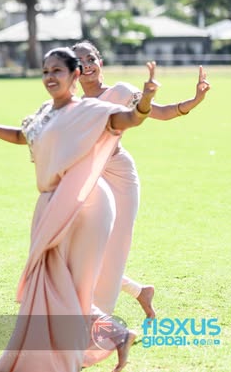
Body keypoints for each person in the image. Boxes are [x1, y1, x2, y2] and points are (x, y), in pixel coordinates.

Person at [0, 48, 159, 372]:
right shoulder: (44, 112)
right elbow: (22, 137)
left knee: (53, 280)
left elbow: (130, 118)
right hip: (52, 201)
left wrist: (145, 100)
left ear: (75, 75)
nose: (50, 77)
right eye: (45, 71)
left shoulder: (90, 110)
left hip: (82, 202)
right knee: (55, 284)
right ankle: (116, 335)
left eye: (58, 71)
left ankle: (74, 350)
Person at [71, 41, 211, 324]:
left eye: (90, 58)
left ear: (100, 62)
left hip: (119, 178)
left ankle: (98, 330)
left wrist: (193, 101)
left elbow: (158, 112)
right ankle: (140, 292)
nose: (86, 65)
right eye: (78, 61)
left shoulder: (120, 91)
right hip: (89, 180)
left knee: (113, 253)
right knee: (78, 252)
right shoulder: (71, 103)